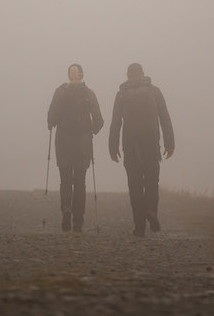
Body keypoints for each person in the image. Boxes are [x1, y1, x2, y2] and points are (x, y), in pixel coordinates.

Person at [109, 62, 175, 237]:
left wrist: (112, 147)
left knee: (135, 184)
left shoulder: (122, 94)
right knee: (152, 180)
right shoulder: (154, 91)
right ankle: (151, 210)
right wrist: (170, 143)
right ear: (143, 73)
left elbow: (116, 122)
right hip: (152, 143)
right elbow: (165, 118)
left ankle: (139, 226)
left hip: (131, 145)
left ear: (127, 75)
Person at [47, 63, 104, 232]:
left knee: (65, 180)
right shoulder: (88, 93)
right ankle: (78, 220)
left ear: (69, 75)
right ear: (81, 75)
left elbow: (51, 118)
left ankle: (66, 210)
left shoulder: (60, 91)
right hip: (83, 144)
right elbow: (99, 120)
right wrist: (91, 130)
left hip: (63, 142)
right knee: (80, 182)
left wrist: (52, 123)